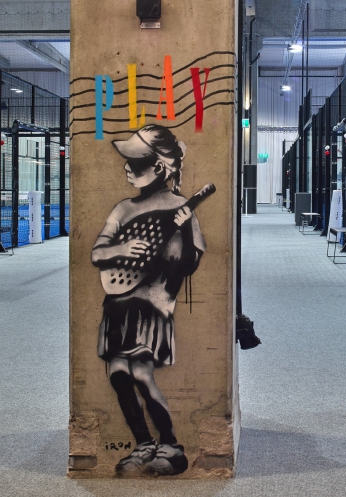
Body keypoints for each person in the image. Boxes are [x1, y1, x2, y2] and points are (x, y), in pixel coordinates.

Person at [91, 124, 205, 476]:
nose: (126, 166)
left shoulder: (181, 207)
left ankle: (170, 444)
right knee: (118, 374)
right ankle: (143, 443)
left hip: (152, 306)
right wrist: (121, 248)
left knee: (141, 373)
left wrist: (185, 227)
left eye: (135, 161)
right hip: (118, 304)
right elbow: (98, 253)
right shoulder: (124, 209)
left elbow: (191, 263)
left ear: (158, 167)